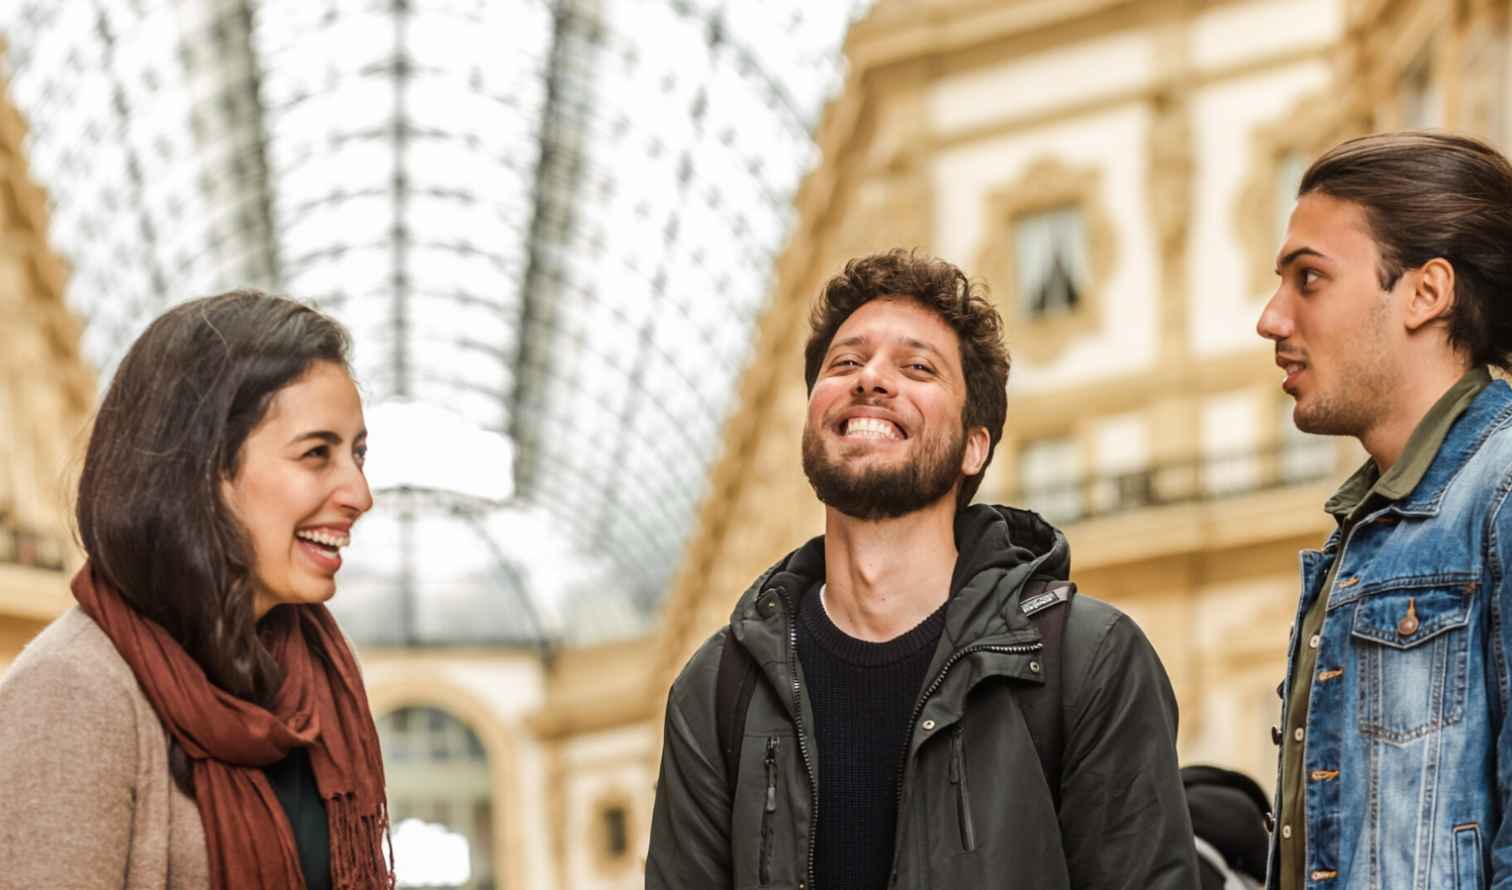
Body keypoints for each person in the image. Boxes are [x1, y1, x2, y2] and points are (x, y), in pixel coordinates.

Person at [646, 250, 1199, 889]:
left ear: (974, 445)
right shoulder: (720, 688)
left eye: (917, 367)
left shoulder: (1084, 660)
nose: (871, 379)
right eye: (845, 362)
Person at [0, 291, 393, 890]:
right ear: (202, 468)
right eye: (317, 454)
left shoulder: (316, 686)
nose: (359, 495)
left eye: (357, 455)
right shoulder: (75, 693)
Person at [1257, 131, 1512, 889]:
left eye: (1309, 279)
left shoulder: (1500, 489)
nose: (1271, 319)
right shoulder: (1367, 530)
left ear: (1426, 294)